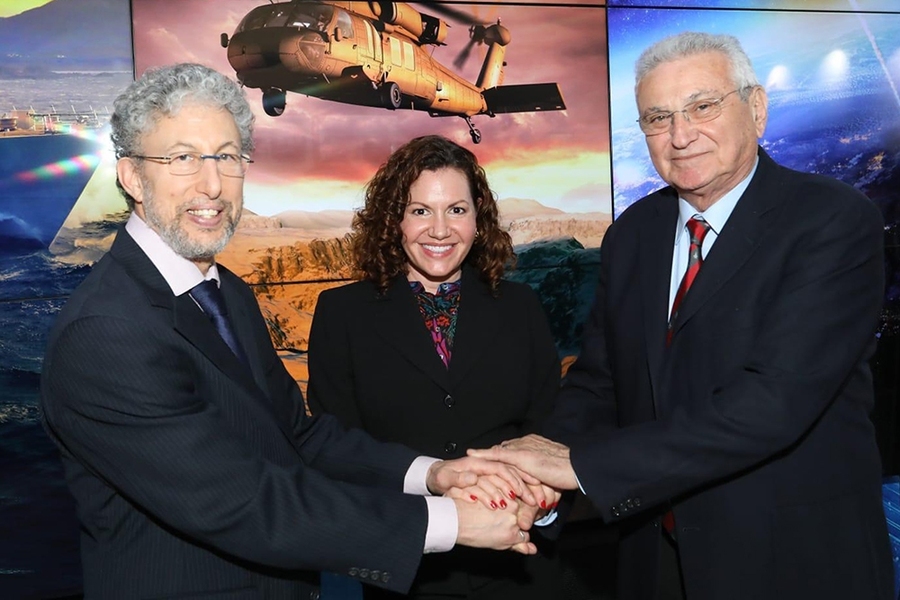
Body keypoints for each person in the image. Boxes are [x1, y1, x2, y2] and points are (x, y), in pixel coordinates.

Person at [39, 63, 543, 600]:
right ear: (133, 176)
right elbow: (241, 502)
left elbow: (299, 436)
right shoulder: (107, 331)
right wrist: (448, 522)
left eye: (228, 157)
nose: (212, 184)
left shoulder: (223, 291)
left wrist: (436, 474)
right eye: (182, 158)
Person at [470, 31, 894, 600]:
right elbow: (601, 381)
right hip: (655, 555)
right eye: (657, 117)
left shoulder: (831, 221)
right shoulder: (632, 236)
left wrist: (580, 466)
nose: (680, 134)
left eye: (703, 106)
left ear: (757, 108)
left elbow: (772, 406)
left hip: (790, 557)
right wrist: (536, 477)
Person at [306, 134, 563, 599]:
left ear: (479, 220)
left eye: (457, 210)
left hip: (517, 560)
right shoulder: (342, 313)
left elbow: (547, 422)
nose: (439, 230)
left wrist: (533, 500)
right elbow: (335, 449)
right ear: (393, 221)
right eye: (420, 210)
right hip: (407, 571)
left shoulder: (520, 306)